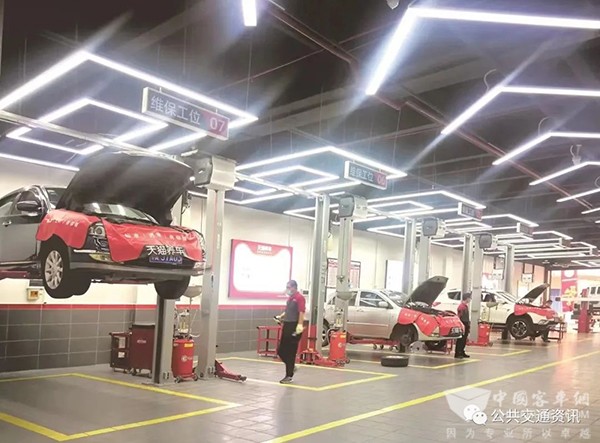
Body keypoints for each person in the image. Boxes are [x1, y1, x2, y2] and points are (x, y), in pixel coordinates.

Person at [275, 280, 306, 384]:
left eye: (289, 287)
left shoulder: (299, 298)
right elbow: (288, 311)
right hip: (287, 325)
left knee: (291, 351)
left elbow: (301, 312)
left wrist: (300, 325)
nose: (287, 289)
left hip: (294, 326)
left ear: (294, 287)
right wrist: (281, 317)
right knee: (281, 350)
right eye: (287, 287)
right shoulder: (290, 298)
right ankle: (292, 367)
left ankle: (289, 375)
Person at [455, 292, 471, 359]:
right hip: (463, 323)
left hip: (466, 323)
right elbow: (459, 316)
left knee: (464, 339)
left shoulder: (465, 306)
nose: (470, 299)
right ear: (467, 298)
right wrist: (461, 325)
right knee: (461, 339)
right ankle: (458, 353)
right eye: (469, 298)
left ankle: (462, 351)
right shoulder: (461, 307)